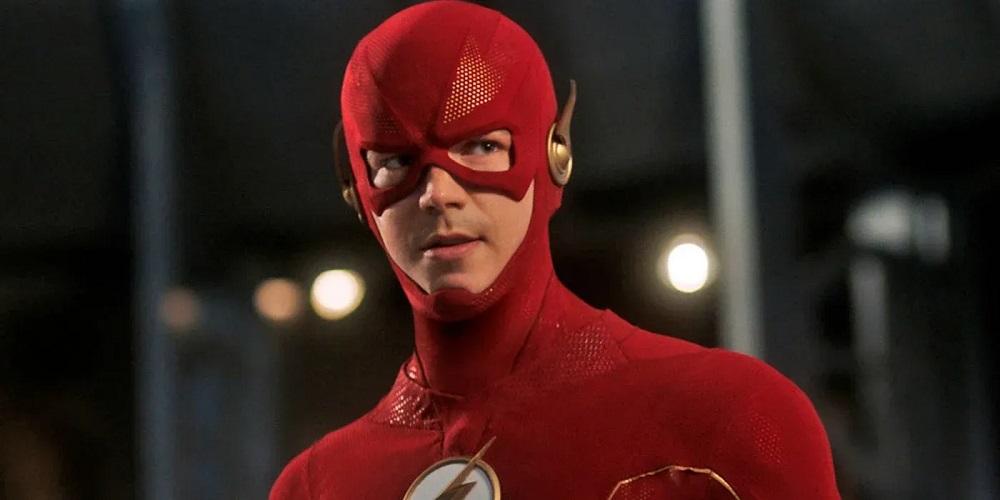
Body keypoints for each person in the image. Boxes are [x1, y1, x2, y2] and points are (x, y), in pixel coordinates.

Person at [271, 1, 840, 498]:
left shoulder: (726, 419)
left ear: (554, 155)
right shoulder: (319, 487)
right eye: (396, 162)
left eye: (480, 146)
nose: (437, 194)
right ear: (358, 194)